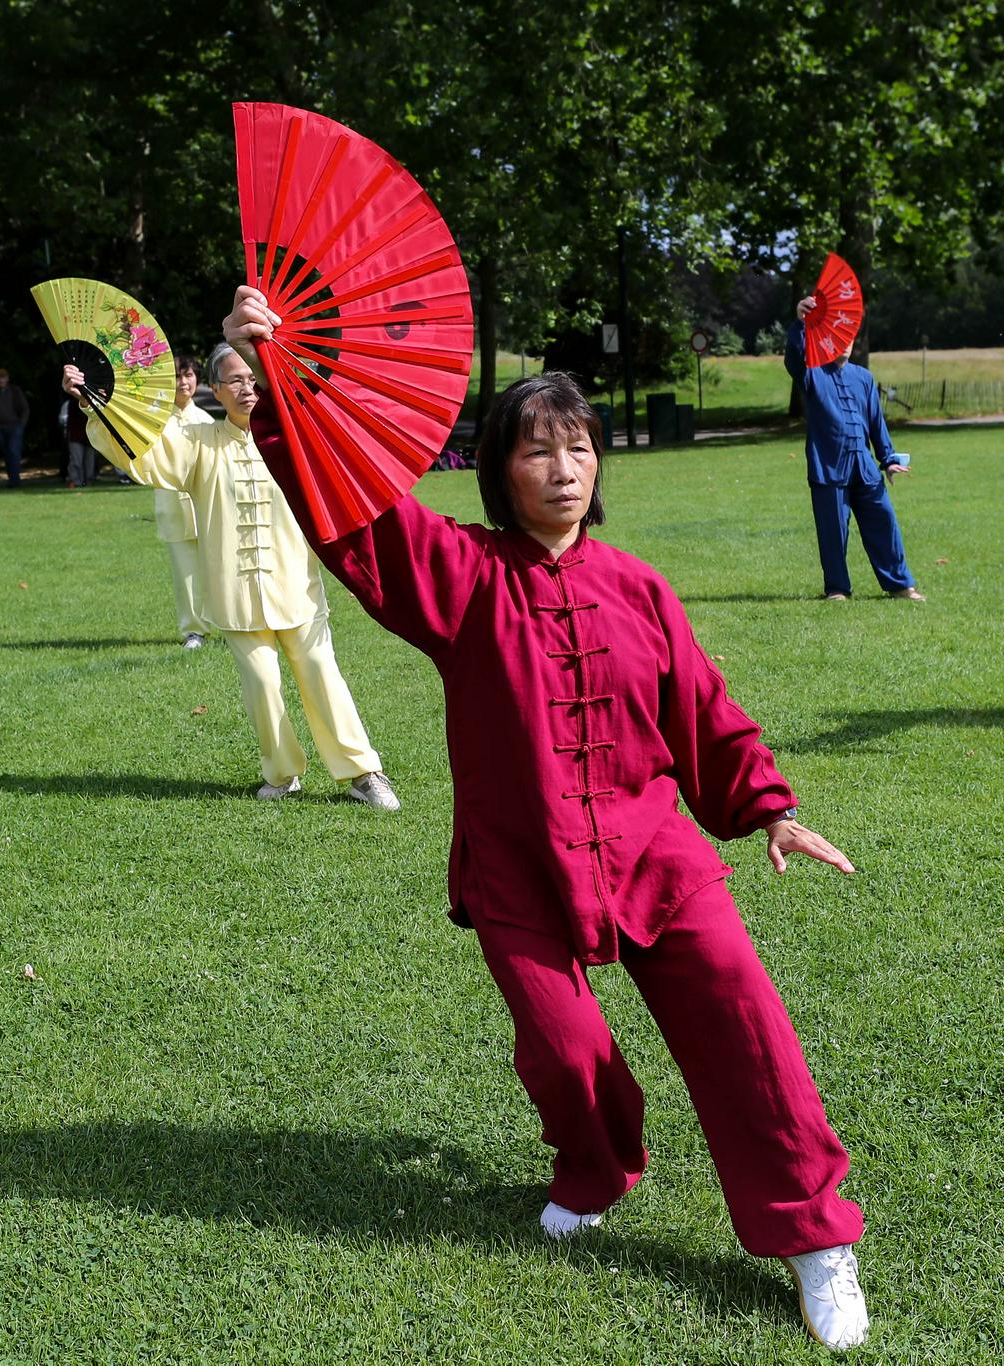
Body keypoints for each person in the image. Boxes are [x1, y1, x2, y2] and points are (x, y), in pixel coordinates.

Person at [226, 286, 872, 1351]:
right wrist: (280, 391)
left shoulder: (638, 587)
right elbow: (356, 519)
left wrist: (768, 808)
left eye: (578, 447)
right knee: (568, 1053)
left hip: (654, 854)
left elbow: (702, 712)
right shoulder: (462, 575)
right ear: (499, 471)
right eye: (536, 450)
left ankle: (815, 1238)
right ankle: (598, 1164)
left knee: (743, 1023)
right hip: (518, 867)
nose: (562, 468)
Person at [61, 344, 401, 809]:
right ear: (215, 390)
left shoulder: (293, 436)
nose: (247, 388)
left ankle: (363, 772)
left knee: (322, 671)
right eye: (235, 380)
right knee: (261, 684)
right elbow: (140, 450)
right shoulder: (199, 443)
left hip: (296, 585)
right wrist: (90, 401)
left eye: (252, 378)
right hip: (235, 592)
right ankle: (282, 774)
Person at [784, 297, 923, 602]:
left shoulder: (864, 378)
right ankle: (837, 589)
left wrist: (887, 459)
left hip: (864, 466)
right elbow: (794, 358)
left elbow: (876, 423)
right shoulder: (813, 373)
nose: (844, 344)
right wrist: (800, 323)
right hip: (828, 466)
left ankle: (900, 586)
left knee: (884, 522)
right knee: (833, 532)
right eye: (837, 339)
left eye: (848, 339)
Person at [156, 355, 215, 648]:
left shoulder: (206, 421)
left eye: (189, 375)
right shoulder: (156, 423)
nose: (183, 382)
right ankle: (194, 630)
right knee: (187, 574)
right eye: (178, 376)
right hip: (173, 508)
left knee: (219, 568)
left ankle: (231, 624)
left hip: (207, 507)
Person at [0, 367, 30, 485]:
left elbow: (25, 409)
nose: (1, 380)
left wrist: (21, 424)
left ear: (7, 379)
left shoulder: (15, 391)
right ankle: (12, 477)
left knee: (14, 451)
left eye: (3, 378)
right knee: (7, 453)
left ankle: (14, 480)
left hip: (15, 426)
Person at [59, 395, 94, 488]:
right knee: (76, 460)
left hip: (90, 436)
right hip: (75, 435)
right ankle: (76, 481)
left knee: (89, 461)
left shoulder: (93, 402)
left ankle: (87, 481)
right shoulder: (70, 403)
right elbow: (63, 419)